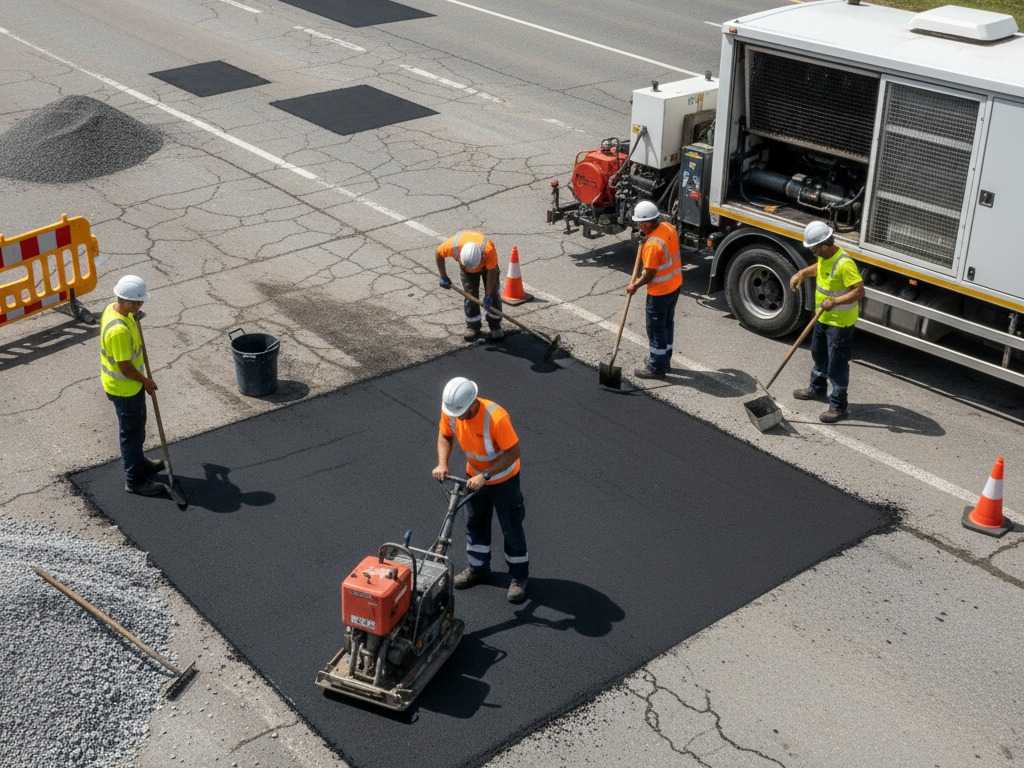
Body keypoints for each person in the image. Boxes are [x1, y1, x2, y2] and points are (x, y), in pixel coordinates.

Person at [431, 377, 528, 604]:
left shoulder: (496, 418)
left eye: (462, 413)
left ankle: (519, 577)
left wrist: (485, 476)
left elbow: (513, 452)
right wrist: (442, 463)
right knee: (474, 523)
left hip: (504, 480)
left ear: (473, 402)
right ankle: (478, 569)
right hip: (473, 477)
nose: (457, 417)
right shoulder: (453, 412)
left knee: (511, 527)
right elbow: (445, 436)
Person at [788, 220, 865, 423]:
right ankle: (817, 388)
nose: (813, 252)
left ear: (824, 245)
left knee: (837, 365)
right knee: (818, 352)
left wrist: (836, 301)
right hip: (822, 317)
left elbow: (859, 291)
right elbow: (819, 267)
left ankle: (839, 406)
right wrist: (802, 273)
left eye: (814, 248)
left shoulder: (845, 264)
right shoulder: (825, 257)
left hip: (840, 323)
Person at [99, 275, 164, 496]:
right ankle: (134, 480)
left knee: (137, 429)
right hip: (125, 388)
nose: (140, 306)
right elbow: (125, 367)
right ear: (124, 300)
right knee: (131, 433)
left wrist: (135, 317)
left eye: (140, 303)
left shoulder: (116, 309)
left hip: (129, 387)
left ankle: (139, 461)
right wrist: (145, 381)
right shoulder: (118, 331)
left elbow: (130, 322)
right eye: (136, 303)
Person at [626, 200, 683, 379]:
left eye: (640, 223)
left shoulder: (652, 245)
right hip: (675, 286)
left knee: (656, 329)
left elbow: (649, 274)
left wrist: (634, 285)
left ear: (646, 223)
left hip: (660, 293)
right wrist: (646, 238)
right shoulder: (667, 227)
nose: (638, 226)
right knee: (667, 324)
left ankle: (656, 368)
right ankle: (665, 360)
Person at [436, 231, 504, 342]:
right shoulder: (452, 246)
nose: (473, 270)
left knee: (493, 295)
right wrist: (443, 276)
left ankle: (495, 326)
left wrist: (488, 295)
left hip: (488, 268)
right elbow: (438, 254)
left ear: (481, 257)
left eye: (474, 267)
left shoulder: (488, 250)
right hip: (465, 269)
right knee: (470, 295)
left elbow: (492, 272)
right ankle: (473, 326)